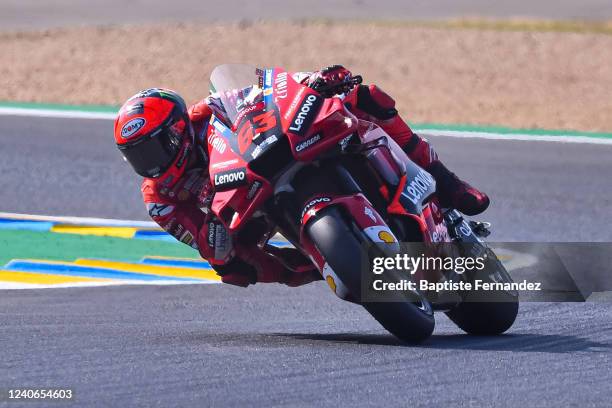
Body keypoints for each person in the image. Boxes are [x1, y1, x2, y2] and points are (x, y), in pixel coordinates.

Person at [113, 66, 489, 288]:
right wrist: (219, 250)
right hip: (244, 212)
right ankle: (323, 263)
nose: (150, 163)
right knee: (244, 270)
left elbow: (263, 93)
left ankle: (446, 181)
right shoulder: (160, 200)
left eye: (154, 148)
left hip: (267, 158)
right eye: (137, 156)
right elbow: (211, 252)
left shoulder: (204, 113)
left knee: (364, 97)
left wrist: (313, 80)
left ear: (177, 128)